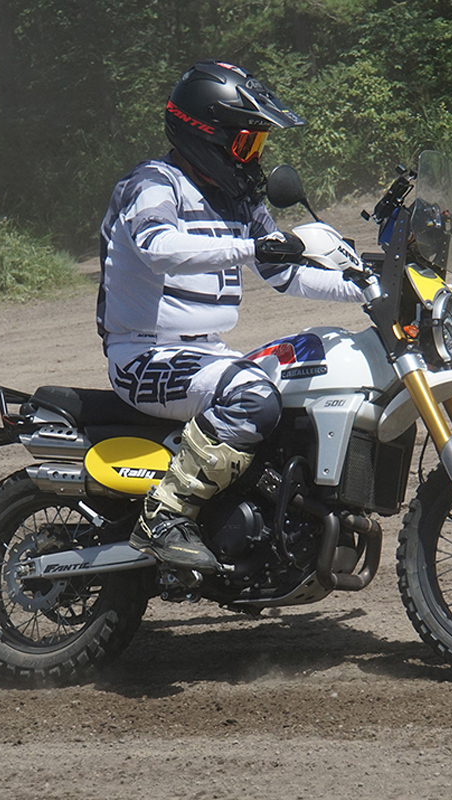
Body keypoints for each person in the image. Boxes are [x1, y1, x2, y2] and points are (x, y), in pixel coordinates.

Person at [97, 60, 365, 573]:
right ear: (206, 135)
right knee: (252, 396)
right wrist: (253, 246)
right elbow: (160, 249)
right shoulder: (153, 184)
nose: (254, 157)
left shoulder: (238, 198)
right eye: (246, 143)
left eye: (258, 145)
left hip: (206, 353)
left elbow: (285, 272)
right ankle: (163, 517)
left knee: (300, 390)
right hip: (143, 355)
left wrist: (368, 287)